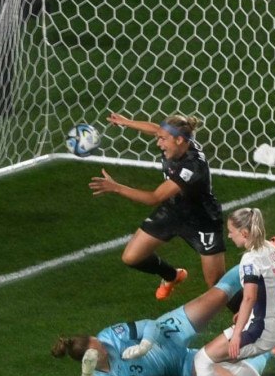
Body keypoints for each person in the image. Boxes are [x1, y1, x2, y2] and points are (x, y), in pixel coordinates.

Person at [51, 251, 275, 376]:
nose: (100, 343)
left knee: (219, 294)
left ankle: (261, 255)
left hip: (168, 331)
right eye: (97, 347)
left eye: (96, 340)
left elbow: (149, 325)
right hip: (179, 367)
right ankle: (267, 350)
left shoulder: (109, 337)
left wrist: (144, 345)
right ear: (91, 360)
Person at [89, 113, 226, 300]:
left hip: (202, 220)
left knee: (217, 286)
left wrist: (116, 188)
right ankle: (172, 276)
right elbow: (155, 129)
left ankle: (249, 309)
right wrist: (127, 122)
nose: (158, 143)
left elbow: (154, 197)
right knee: (131, 257)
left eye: (162, 139)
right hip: (173, 210)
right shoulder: (175, 143)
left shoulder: (193, 166)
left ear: (179, 140)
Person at [182, 208, 275, 376]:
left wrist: (238, 333)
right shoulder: (271, 248)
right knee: (228, 360)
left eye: (232, 232)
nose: (229, 236)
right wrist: (249, 314)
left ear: (245, 233)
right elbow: (269, 287)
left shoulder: (250, 259)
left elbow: (249, 296)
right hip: (272, 320)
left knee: (202, 360)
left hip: (260, 329)